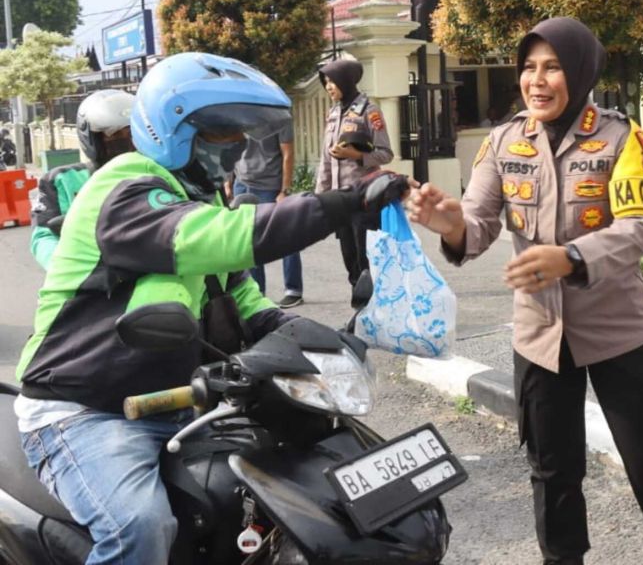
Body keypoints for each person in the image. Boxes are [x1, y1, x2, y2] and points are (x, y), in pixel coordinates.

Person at [14, 52, 406, 564]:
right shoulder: (124, 189)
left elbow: (240, 298)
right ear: (169, 130)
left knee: (258, 502)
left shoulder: (196, 195)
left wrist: (310, 337)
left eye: (241, 134)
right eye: (220, 133)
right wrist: (346, 202)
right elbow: (224, 240)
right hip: (85, 410)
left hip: (177, 400)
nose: (237, 146)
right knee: (140, 525)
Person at [408, 17, 643, 565]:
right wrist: (448, 223)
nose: (536, 81)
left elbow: (637, 229)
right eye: (528, 68)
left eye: (552, 68)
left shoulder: (623, 138)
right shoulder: (503, 142)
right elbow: (476, 225)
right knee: (552, 467)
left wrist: (569, 258)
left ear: (582, 72)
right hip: (539, 335)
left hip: (619, 332)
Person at [316, 58, 395, 297]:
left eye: (333, 82)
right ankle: (361, 309)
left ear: (346, 81)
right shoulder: (333, 113)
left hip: (364, 199)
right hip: (340, 200)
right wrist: (319, 197)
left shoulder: (369, 112)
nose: (329, 87)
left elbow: (385, 154)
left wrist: (356, 155)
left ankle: (374, 311)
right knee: (350, 261)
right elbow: (325, 160)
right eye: (326, 82)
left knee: (366, 261)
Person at [30, 90, 135, 270]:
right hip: (90, 281)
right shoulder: (61, 180)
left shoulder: (162, 173)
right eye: (115, 135)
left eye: (131, 133)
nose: (126, 140)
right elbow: (43, 237)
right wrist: (68, 268)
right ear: (93, 138)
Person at [228, 119, 304, 307]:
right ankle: (256, 291)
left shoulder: (279, 117)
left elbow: (288, 153)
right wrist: (227, 181)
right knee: (246, 239)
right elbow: (230, 148)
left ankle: (293, 289)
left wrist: (284, 190)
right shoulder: (236, 114)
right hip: (241, 183)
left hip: (269, 185)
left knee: (284, 234)